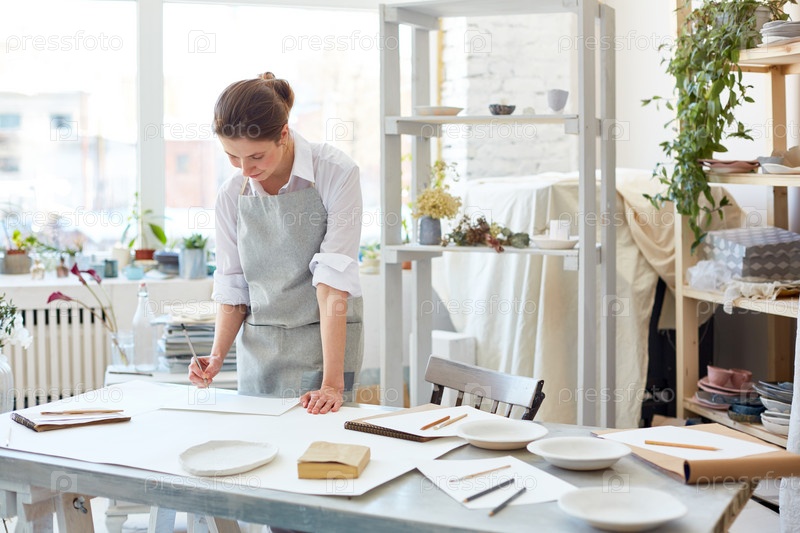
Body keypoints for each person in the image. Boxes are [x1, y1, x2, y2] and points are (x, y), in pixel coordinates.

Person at [188, 72, 364, 415]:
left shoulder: (335, 172)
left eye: (256, 156)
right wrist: (217, 355)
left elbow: (332, 284)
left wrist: (331, 384)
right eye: (232, 156)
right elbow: (233, 284)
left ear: (283, 134)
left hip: (324, 344)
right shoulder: (231, 194)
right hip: (261, 348)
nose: (245, 169)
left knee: (319, 440)